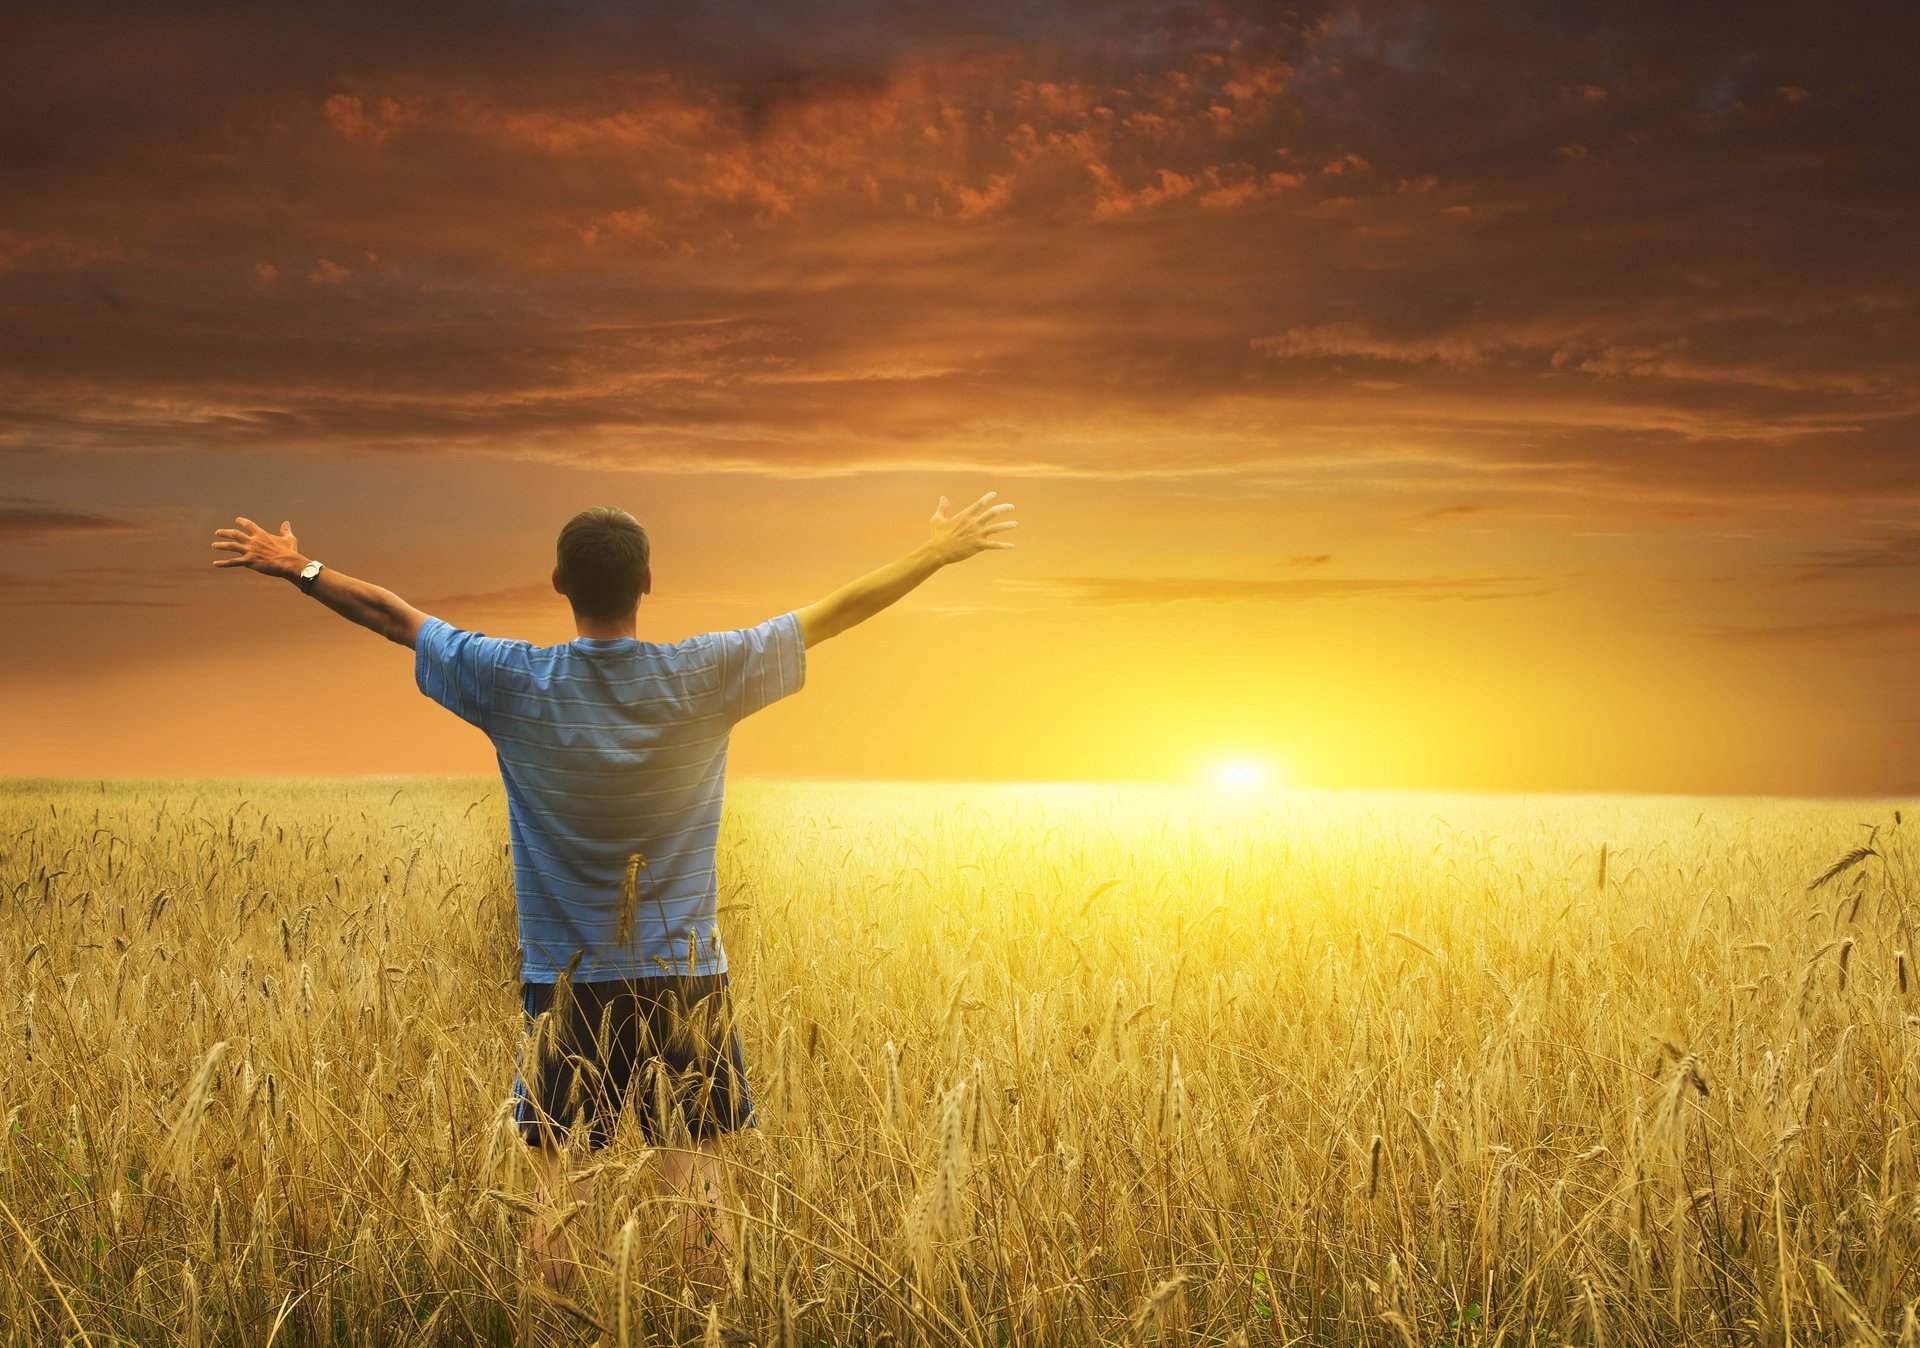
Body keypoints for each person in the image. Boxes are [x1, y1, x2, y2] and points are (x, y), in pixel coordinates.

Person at [210, 493, 1019, 1324]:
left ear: (559, 582)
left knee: (559, 1182)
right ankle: (715, 1333)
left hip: (566, 982)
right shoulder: (704, 674)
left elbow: (393, 618)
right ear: (648, 583)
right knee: (696, 1174)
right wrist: (933, 554)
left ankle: (553, 1335)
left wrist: (298, 567)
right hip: (685, 974)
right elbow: (832, 616)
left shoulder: (512, 680)